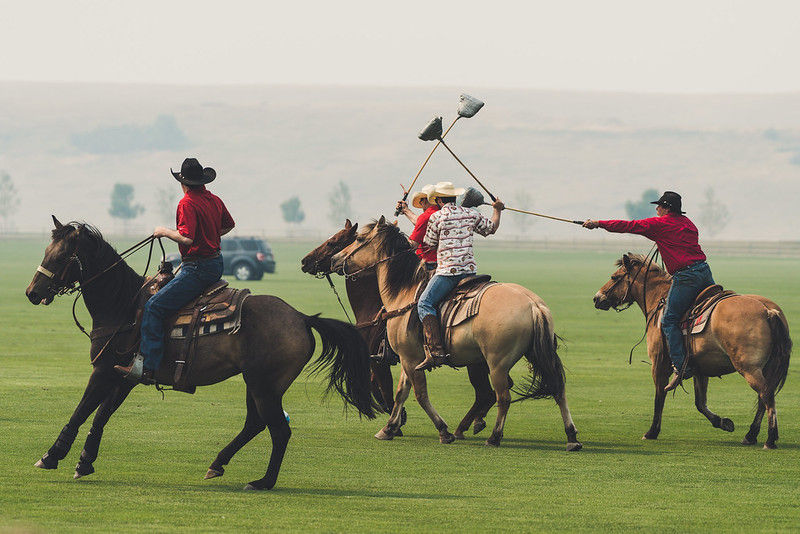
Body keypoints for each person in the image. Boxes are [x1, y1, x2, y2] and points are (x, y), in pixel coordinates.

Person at [115, 158, 235, 384]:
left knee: (154, 306)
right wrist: (210, 235)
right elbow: (229, 225)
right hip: (215, 263)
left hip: (197, 268)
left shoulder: (187, 203)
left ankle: (148, 368)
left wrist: (163, 231)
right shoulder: (214, 199)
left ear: (184, 182)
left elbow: (187, 238)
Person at [583, 191, 714, 392]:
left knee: (669, 320)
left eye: (659, 206)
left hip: (686, 277)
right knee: (707, 311)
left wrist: (598, 223)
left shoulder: (660, 224)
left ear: (667, 207)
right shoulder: (688, 223)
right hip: (704, 272)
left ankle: (681, 367)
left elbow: (628, 226)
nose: (656, 209)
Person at [415, 181, 504, 372]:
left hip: (448, 273)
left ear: (438, 200)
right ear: (454, 198)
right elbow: (491, 229)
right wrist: (497, 210)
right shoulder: (471, 213)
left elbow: (429, 243)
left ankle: (436, 350)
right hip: (470, 272)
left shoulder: (437, 216)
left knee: (424, 303)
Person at [396, 184, 439, 271]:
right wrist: (405, 210)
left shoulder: (426, 217)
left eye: (421, 201)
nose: (421, 204)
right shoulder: (441, 212)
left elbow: (412, 245)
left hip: (428, 264)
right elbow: (420, 222)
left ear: (425, 200)